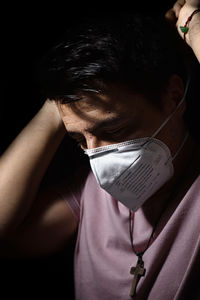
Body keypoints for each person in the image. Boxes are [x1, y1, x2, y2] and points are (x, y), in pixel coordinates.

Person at [0, 1, 200, 299]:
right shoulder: (90, 192)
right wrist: (62, 100)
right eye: (80, 140)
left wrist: (194, 27)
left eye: (113, 131)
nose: (97, 158)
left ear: (173, 97)